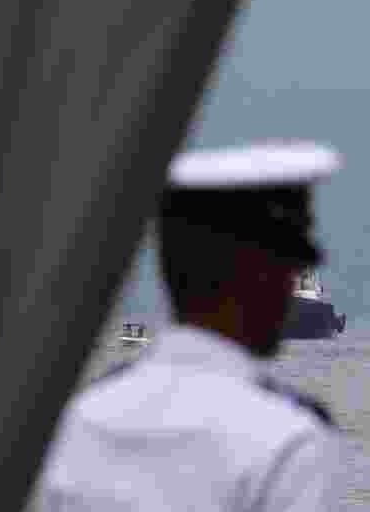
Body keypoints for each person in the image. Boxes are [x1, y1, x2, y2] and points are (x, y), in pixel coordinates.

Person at [35, 140, 343, 511]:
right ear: (261, 275)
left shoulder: (78, 422)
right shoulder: (287, 442)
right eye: (291, 269)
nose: (293, 288)